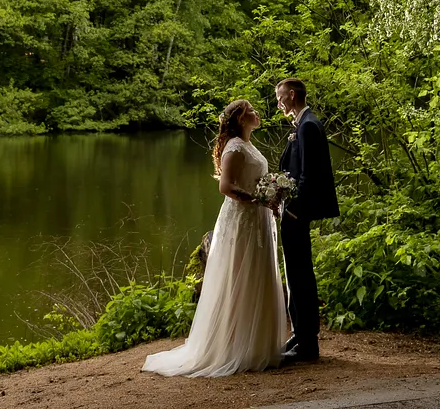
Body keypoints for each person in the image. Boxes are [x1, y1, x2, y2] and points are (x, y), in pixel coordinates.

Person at [142, 99, 289, 377]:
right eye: (251, 111)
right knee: (240, 275)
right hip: (243, 220)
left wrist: (270, 198)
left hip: (257, 217)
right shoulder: (234, 147)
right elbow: (226, 186)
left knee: (256, 274)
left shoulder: (248, 145)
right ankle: (235, 346)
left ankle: (256, 344)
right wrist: (258, 198)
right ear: (240, 119)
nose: (257, 113)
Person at [275, 77, 338, 364]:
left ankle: (308, 343)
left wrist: (293, 210)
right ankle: (300, 334)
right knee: (295, 273)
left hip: (297, 214)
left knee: (300, 274)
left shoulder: (309, 125)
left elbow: (309, 176)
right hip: (293, 212)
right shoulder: (303, 123)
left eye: (280, 97)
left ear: (291, 94)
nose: (278, 103)